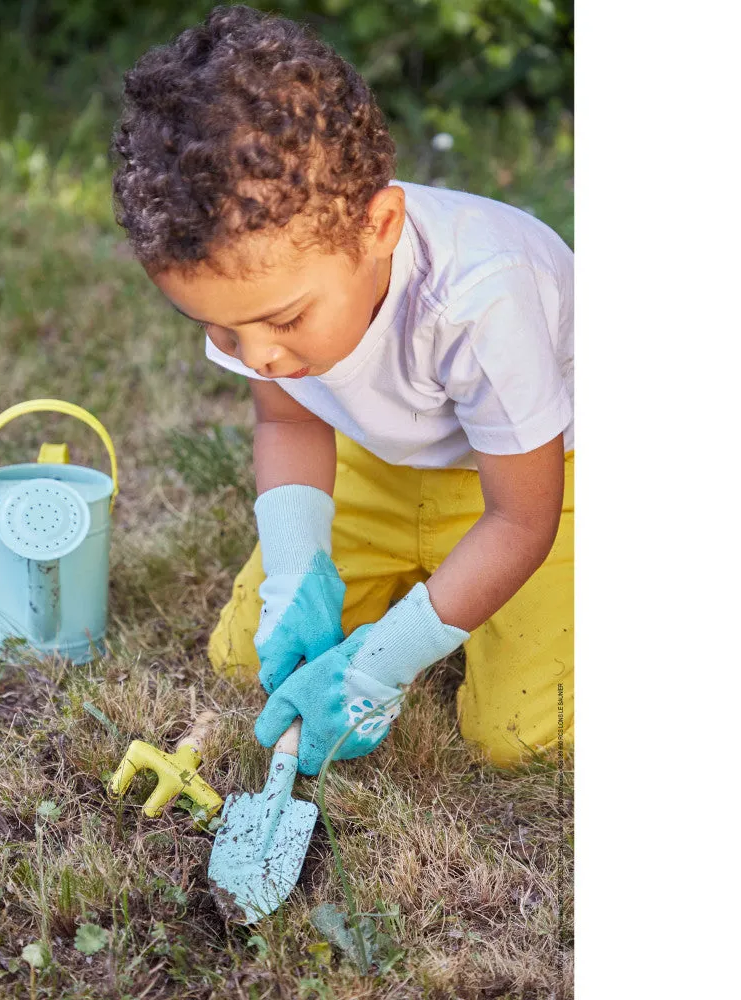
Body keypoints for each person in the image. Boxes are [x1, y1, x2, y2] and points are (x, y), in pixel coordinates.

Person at [110, 5, 573, 773]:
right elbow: (288, 424)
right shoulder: (259, 292)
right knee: (246, 657)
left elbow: (520, 521)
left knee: (520, 738)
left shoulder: (480, 297)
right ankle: (412, 586)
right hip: (383, 462)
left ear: (379, 225)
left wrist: (381, 662)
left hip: (538, 482)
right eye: (225, 332)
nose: (257, 355)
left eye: (283, 319)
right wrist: (295, 571)